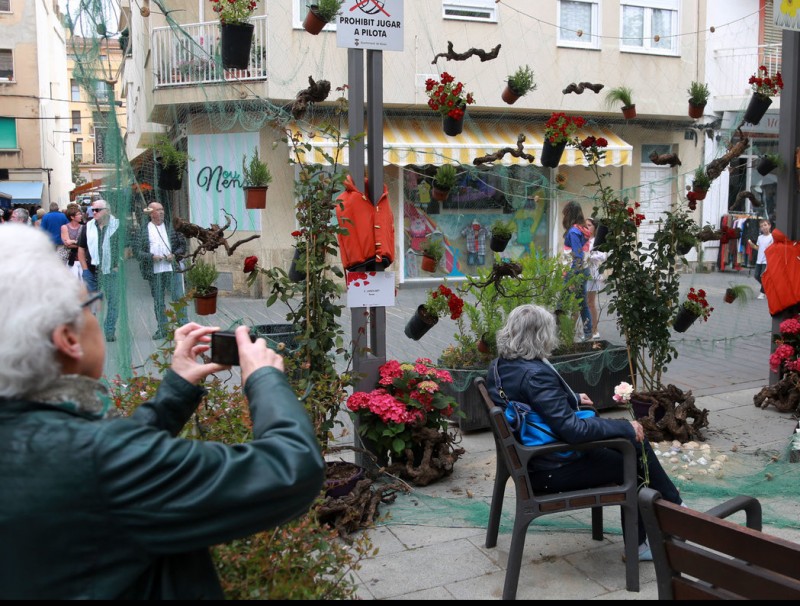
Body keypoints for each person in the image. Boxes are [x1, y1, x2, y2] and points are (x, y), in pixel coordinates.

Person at [0, 223, 325, 600]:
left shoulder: (52, 445)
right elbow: (292, 468)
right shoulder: (99, 461)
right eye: (90, 305)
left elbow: (102, 464)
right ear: (68, 340)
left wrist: (176, 389)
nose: (95, 313)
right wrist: (264, 379)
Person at [486, 304, 684, 561]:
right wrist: (625, 426)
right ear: (541, 336)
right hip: (548, 468)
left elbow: (528, 402)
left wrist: (570, 397)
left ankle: (673, 510)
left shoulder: (501, 365)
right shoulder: (535, 375)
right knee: (631, 455)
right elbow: (574, 430)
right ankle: (658, 527)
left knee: (631, 445)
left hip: (531, 461)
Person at [137, 201, 188, 340]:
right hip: (154, 271)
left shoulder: (171, 227)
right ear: (150, 213)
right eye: (157, 210)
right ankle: (163, 329)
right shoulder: (144, 230)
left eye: (162, 209)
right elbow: (138, 252)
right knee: (159, 301)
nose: (161, 212)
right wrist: (151, 257)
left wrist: (175, 255)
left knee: (178, 298)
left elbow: (182, 246)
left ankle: (184, 328)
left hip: (172, 269)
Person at [77, 199, 121, 342]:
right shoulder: (88, 227)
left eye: (97, 210)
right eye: (92, 210)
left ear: (106, 211)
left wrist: (118, 264)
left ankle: (109, 330)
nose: (93, 212)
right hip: (92, 270)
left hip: (110, 272)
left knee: (113, 302)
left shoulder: (117, 226)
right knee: (92, 304)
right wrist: (84, 269)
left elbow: (126, 248)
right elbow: (81, 249)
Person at [562, 201, 592, 341]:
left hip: (575, 271)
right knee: (582, 304)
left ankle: (560, 335)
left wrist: (573, 277)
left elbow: (577, 254)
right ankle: (588, 333)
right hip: (583, 269)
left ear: (569, 214)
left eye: (565, 213)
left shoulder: (574, 231)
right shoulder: (582, 229)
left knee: (562, 303)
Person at [585, 218, 608, 340]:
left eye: (589, 225)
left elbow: (604, 255)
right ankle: (583, 329)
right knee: (579, 304)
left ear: (594, 228)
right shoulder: (582, 239)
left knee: (590, 303)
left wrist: (590, 255)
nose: (587, 227)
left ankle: (594, 329)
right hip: (581, 274)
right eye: (585, 225)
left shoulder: (596, 241)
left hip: (592, 275)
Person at [748, 219, 773, 300]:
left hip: (767, 260)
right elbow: (758, 248)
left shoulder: (772, 237)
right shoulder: (760, 237)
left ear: (769, 226)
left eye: (765, 225)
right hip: (759, 260)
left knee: (763, 276)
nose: (764, 227)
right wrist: (752, 245)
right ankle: (768, 288)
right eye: (762, 226)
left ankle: (762, 293)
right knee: (756, 276)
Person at [61, 202, 84, 282]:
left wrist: (72, 241)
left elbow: (85, 244)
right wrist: (79, 243)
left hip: (83, 259)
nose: (81, 215)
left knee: (83, 283)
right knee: (73, 283)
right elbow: (67, 245)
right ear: (72, 217)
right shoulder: (64, 227)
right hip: (70, 259)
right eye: (78, 214)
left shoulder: (84, 227)